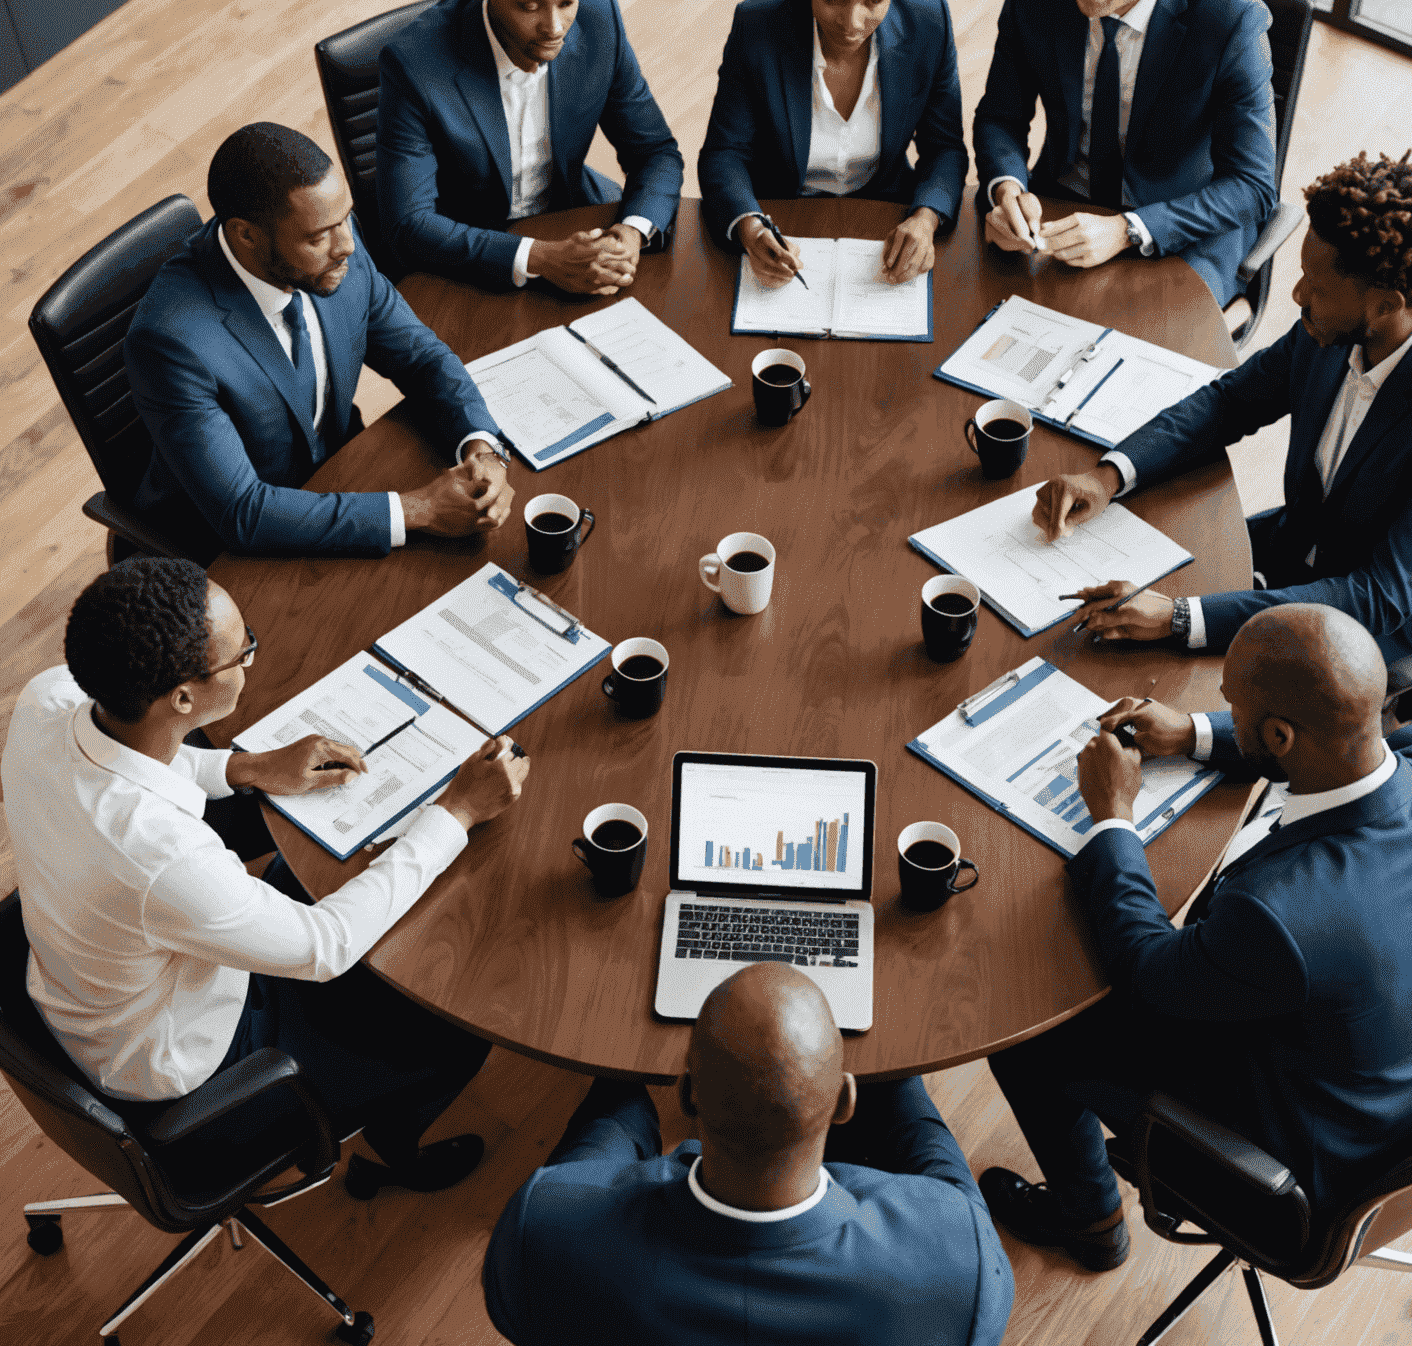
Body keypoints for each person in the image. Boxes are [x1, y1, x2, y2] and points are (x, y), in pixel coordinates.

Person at [981, 603, 1412, 1270]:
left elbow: (1148, 971)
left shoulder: (1280, 915)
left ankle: (1091, 1222)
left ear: (1280, 735)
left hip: (1306, 1154)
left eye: (1234, 706)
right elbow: (1341, 742)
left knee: (1032, 1033)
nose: (1226, 706)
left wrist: (1114, 818)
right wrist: (1198, 734)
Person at [2, 557, 529, 1195]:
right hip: (192, 1071)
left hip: (85, 987)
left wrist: (245, 767)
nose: (252, 656)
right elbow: (324, 946)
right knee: (458, 1016)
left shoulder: (49, 698)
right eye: (242, 651)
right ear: (184, 697)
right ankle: (398, 1142)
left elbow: (127, 761)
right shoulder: (157, 854)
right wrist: (457, 811)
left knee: (322, 871)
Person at [1035, 151, 1412, 721]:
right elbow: (1228, 402)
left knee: (1194, 718)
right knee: (1107, 620)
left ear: (1385, 305)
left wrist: (1182, 617)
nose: (1296, 296)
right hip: (1300, 553)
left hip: (1392, 640)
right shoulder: (1334, 325)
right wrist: (1107, 475)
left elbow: (1378, 597)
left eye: (1316, 283)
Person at [482, 962, 1013, 1344]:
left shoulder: (543, 1227)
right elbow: (941, 1176)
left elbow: (516, 1318)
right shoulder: (962, 1254)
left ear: (687, 1096)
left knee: (617, 1112)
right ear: (846, 1101)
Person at [125, 122, 514, 561]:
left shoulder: (334, 244)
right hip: (238, 552)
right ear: (246, 235)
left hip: (342, 476)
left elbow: (422, 358)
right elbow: (243, 512)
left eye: (345, 217)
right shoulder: (169, 343)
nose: (347, 244)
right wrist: (420, 508)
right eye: (317, 237)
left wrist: (482, 449)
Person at [973, 0, 1275, 306]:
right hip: (1058, 208)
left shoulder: (1231, 21)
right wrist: (1007, 188)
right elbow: (1000, 115)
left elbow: (1253, 188)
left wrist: (1129, 230)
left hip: (1181, 231)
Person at [377, 0, 684, 295]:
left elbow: (655, 152)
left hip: (570, 213)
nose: (554, 27)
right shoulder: (413, 65)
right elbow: (410, 224)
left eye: (567, 2)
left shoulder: (599, 18)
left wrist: (631, 233)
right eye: (529, 6)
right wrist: (540, 257)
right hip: (471, 251)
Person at [698, 0, 968, 290]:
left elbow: (944, 147)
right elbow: (724, 154)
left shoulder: (930, 23)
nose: (852, 22)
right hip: (780, 215)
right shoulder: (757, 29)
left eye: (875, 0)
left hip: (885, 215)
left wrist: (925, 219)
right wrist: (751, 229)